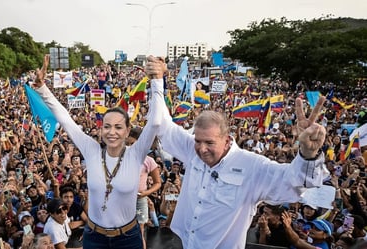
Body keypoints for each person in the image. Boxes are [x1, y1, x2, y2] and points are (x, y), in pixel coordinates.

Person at [145, 56, 328, 249]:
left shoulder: (253, 166)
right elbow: (163, 125)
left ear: (226, 139)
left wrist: (308, 153)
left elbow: (294, 182)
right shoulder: (192, 149)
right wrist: (157, 80)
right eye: (198, 140)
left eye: (209, 142)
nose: (201, 148)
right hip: (182, 243)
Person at [33, 54, 163, 248]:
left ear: (128, 131)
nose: (112, 132)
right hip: (94, 237)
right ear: (101, 129)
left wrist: (158, 80)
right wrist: (42, 88)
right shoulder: (91, 150)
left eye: (118, 127)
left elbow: (155, 122)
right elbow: (66, 120)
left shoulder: (135, 154)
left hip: (128, 238)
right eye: (107, 126)